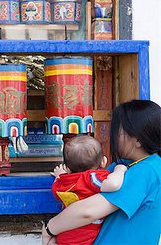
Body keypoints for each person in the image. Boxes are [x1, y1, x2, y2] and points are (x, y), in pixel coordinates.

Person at [42, 100, 161, 245]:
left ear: (138, 140)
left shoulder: (146, 170)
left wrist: (49, 229)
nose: (115, 137)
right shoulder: (126, 164)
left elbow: (87, 211)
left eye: (119, 131)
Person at [50, 135, 127, 245]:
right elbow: (113, 184)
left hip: (64, 235)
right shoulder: (92, 178)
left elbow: (56, 189)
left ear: (67, 168)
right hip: (85, 238)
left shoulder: (63, 182)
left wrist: (60, 175)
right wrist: (119, 170)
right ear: (103, 162)